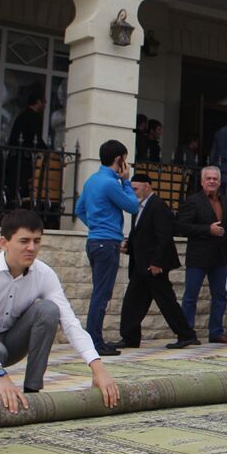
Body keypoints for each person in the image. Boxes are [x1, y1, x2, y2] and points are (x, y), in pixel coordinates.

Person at [0, 209, 119, 413]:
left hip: (11, 341)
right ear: (3, 243)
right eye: (24, 241)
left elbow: (69, 322)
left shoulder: (44, 273)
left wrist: (98, 367)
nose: (31, 248)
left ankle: (33, 390)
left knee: (49, 310)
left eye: (37, 241)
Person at [116, 173, 200, 349]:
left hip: (153, 266)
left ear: (147, 186)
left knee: (166, 301)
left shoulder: (158, 206)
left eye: (136, 188)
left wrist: (157, 263)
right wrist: (128, 246)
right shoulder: (138, 207)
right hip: (141, 264)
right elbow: (140, 233)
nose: (133, 192)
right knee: (133, 301)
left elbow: (164, 237)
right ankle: (130, 337)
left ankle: (186, 334)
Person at [73, 139, 140, 355]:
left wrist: (95, 226)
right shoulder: (111, 183)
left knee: (99, 292)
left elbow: (79, 209)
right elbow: (132, 206)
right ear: (119, 160)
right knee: (102, 294)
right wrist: (127, 181)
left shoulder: (93, 180)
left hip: (94, 241)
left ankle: (95, 339)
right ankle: (94, 342)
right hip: (106, 243)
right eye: (125, 160)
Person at [175, 166, 227, 343]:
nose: (212, 181)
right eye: (209, 179)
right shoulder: (192, 201)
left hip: (220, 257)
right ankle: (187, 333)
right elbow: (182, 226)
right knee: (191, 296)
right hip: (198, 257)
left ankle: (216, 332)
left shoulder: (226, 201)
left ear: (220, 182)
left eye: (215, 179)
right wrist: (208, 229)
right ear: (201, 181)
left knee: (220, 296)